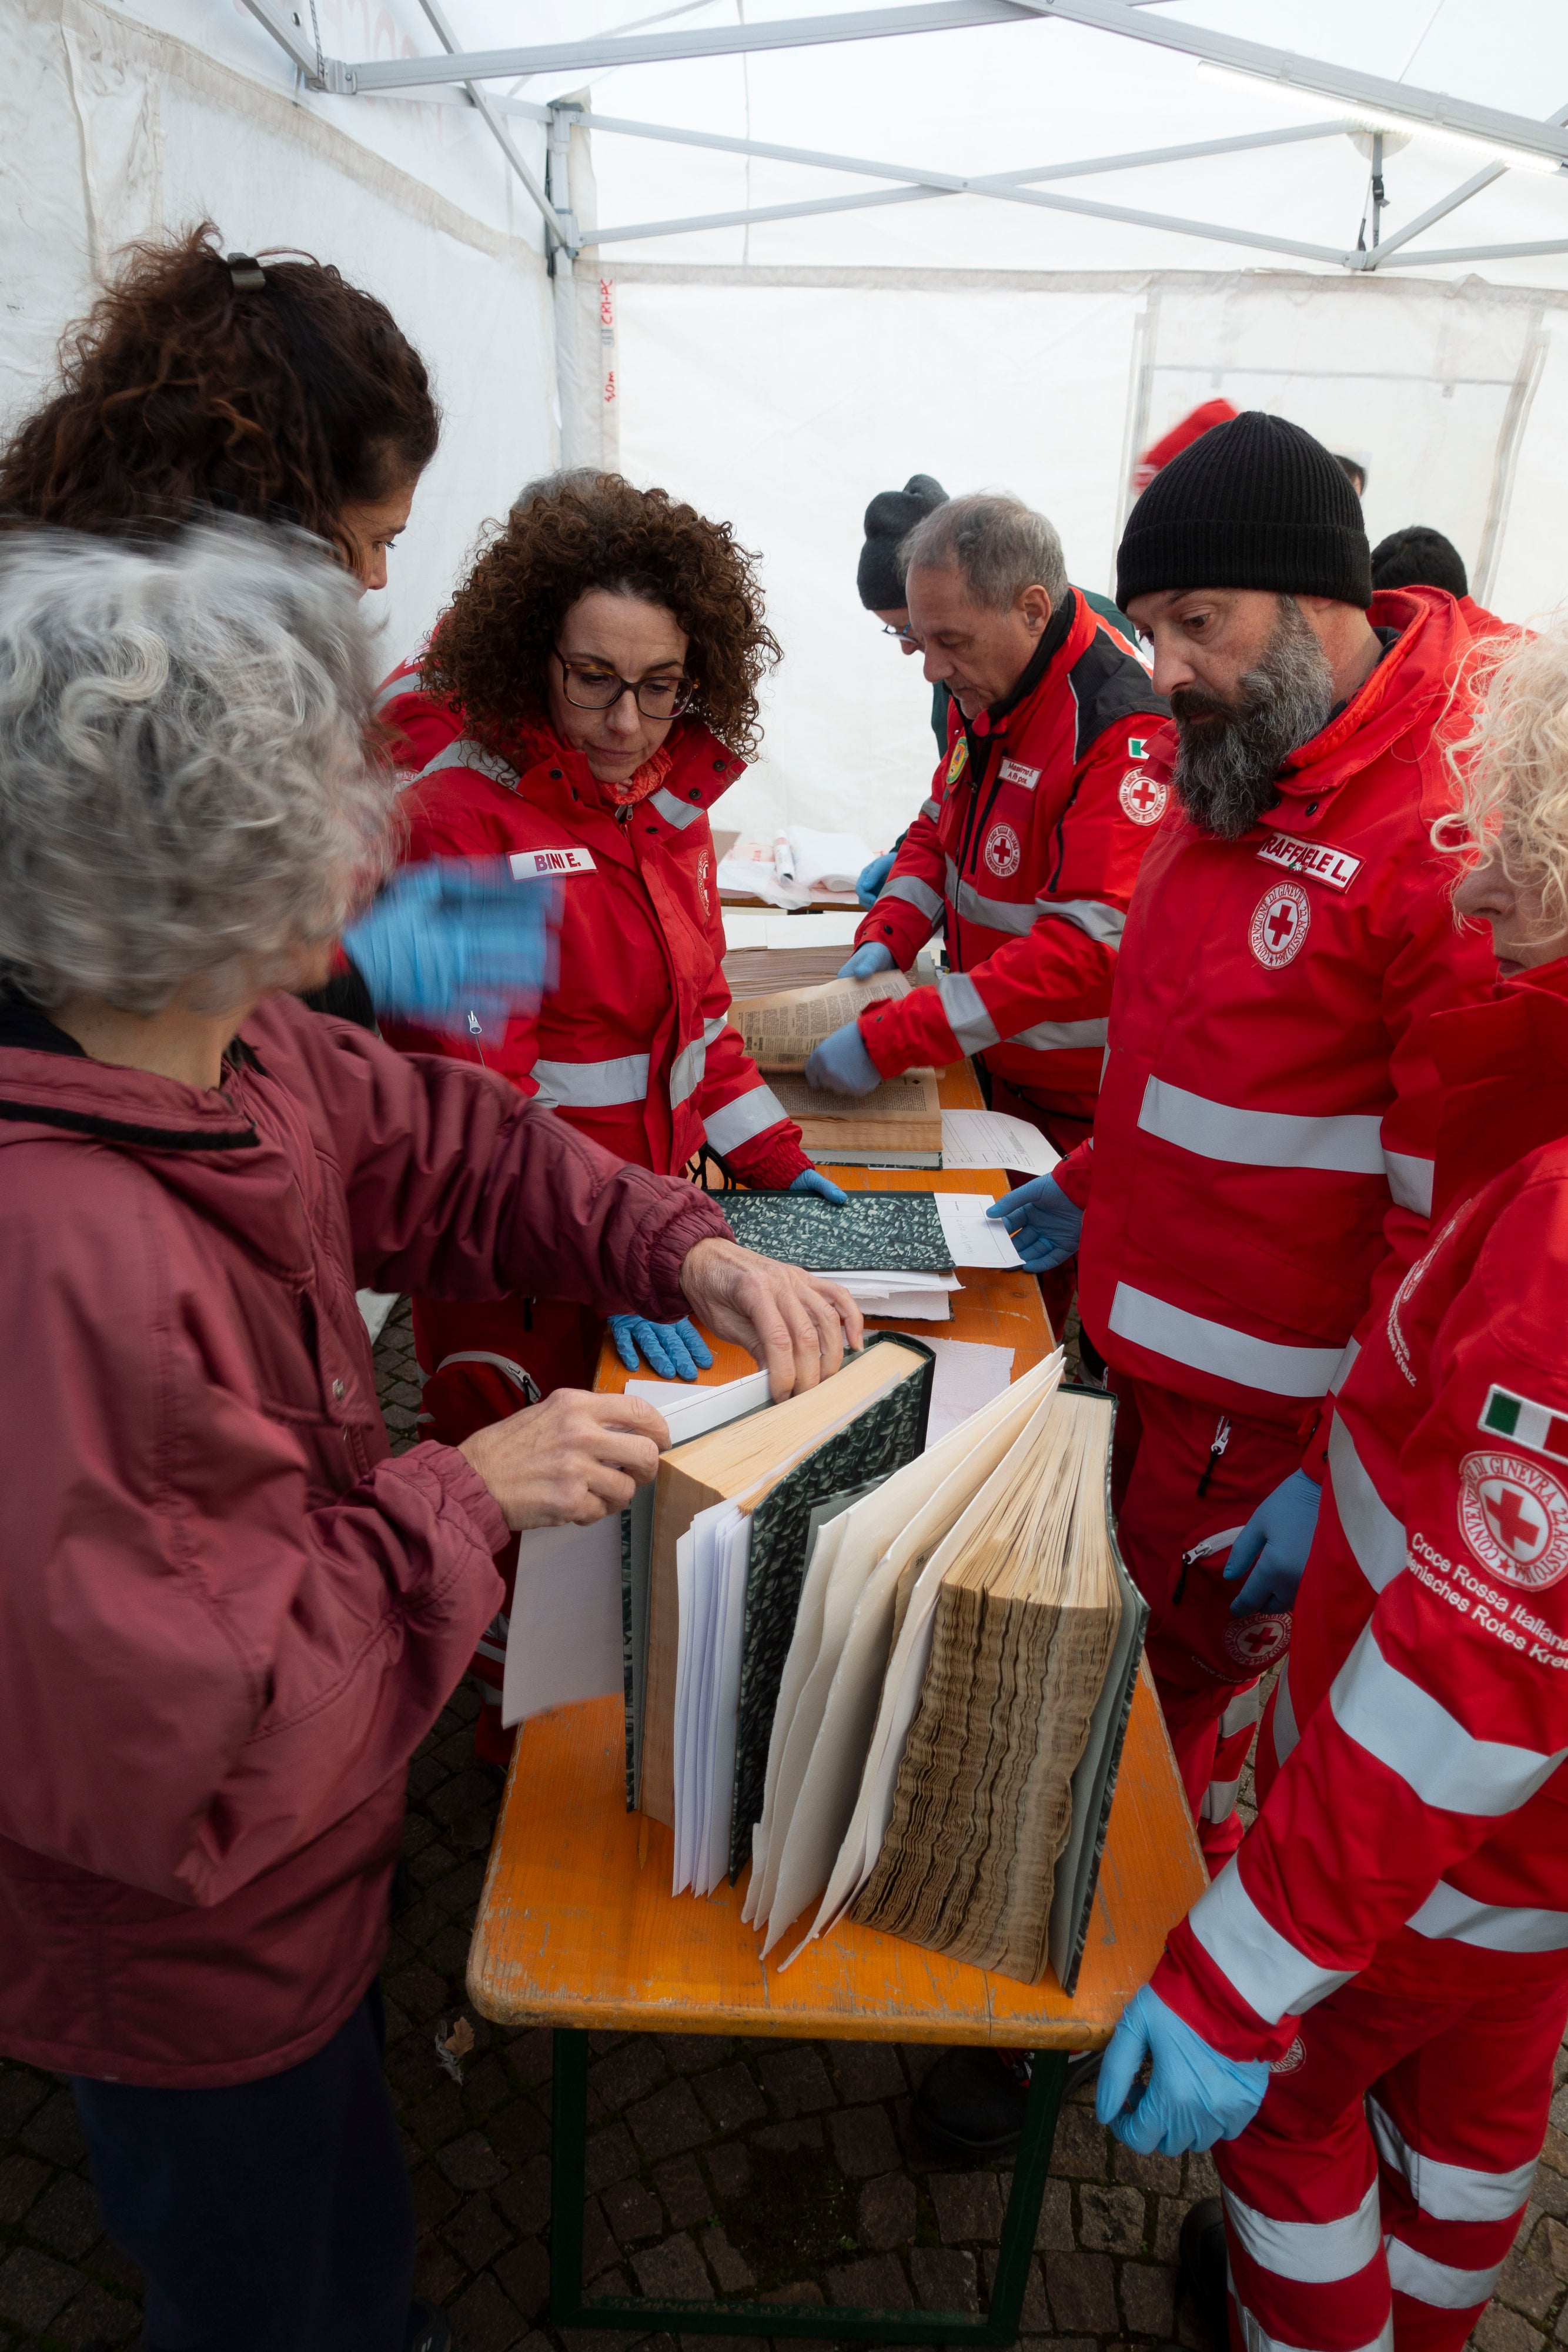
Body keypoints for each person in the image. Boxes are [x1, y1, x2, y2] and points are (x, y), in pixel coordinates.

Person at [0, 523, 860, 2352]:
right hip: (183, 1954)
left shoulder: (223, 1049)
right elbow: (175, 1725)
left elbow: (448, 1140)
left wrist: (678, 1238)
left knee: (346, 2253)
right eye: (322, 804)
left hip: (298, 1899)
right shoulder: (59, 1249)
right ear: (212, 859)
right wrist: (455, 1498)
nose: (371, 856)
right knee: (262, 2295)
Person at [1096, 617, 1568, 2352]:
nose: (1466, 887)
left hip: (1440, 1854)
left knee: (1291, 2115)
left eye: (1504, 836)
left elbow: (1470, 1678)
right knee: (1470, 2125)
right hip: (1528, 1879)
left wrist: (1238, 1974)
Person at [987, 412, 1499, 1885]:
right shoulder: (1236, 760)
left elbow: (1447, 1224)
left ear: (1316, 600)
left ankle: (1110, 1931)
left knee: (1171, 1690)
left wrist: (1339, 1461)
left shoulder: (1441, 829)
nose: (1164, 670)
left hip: (1263, 1418)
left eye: (1193, 623)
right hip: (1146, 1349)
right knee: (1124, 1643)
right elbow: (1181, 1055)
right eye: (1146, 629)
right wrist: (1086, 1191)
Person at [376, 472, 847, 1759]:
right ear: (531, 654)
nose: (628, 721)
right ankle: (497, 1761)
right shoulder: (456, 816)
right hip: (507, 1266)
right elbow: (467, 1115)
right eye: (593, 680)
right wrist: (606, 1246)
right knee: (508, 1519)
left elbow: (696, 1015)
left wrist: (775, 1161)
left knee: (606, 1517)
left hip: (643, 1236)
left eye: (660, 686)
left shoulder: (664, 803)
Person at [0, 222, 543, 1041]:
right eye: (375, 538)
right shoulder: (102, 686)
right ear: (275, 516)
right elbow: (125, 1012)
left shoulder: (87, 622)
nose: (375, 578)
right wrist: (342, 972)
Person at [804, 491, 1171, 1336]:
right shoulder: (999, 686)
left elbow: (1088, 951)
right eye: (918, 640)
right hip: (990, 1070)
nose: (932, 669)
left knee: (1015, 1324)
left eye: (948, 642)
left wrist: (896, 1035)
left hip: (1077, 1105)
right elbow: (941, 826)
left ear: (1031, 609)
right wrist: (887, 937)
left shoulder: (1123, 729)